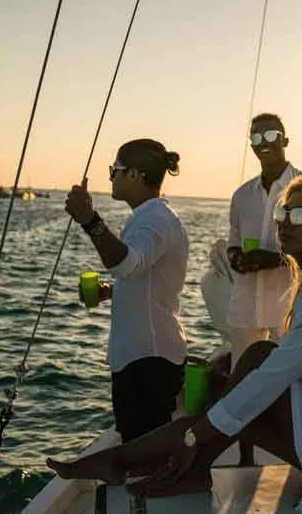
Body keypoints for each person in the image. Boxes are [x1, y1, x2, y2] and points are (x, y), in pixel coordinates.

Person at [47, 179, 302, 514]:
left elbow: (271, 381)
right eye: (282, 213)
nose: (284, 223)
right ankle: (149, 461)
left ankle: (127, 460)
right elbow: (277, 368)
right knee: (253, 358)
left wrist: (196, 435)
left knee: (245, 388)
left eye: (299, 216)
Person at [65, 138, 190, 443]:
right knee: (142, 444)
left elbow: (128, 265)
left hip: (147, 360)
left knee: (145, 450)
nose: (111, 176)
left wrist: (89, 220)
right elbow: (141, 275)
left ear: (134, 174)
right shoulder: (151, 217)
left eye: (115, 170)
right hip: (145, 354)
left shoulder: (155, 221)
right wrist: (110, 291)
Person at [226, 113, 302, 359]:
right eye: (257, 137)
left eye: (271, 135)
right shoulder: (242, 195)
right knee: (241, 376)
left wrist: (271, 259)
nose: (264, 142)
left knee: (291, 382)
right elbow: (233, 241)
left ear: (285, 141)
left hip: (289, 307)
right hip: (246, 304)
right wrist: (236, 257)